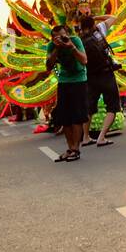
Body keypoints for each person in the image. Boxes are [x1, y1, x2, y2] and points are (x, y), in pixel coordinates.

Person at [45, 23, 89, 162]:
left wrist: (71, 47)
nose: (61, 39)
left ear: (68, 34)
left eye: (63, 36)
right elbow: (48, 66)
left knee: (77, 117)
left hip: (79, 81)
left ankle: (75, 149)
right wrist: (57, 49)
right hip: (64, 82)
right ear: (52, 39)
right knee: (65, 118)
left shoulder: (75, 41)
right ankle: (70, 148)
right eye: (56, 37)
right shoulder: (52, 46)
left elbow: (84, 60)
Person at [77, 13, 120, 149]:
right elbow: (114, 17)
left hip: (90, 77)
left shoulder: (79, 40)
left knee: (89, 108)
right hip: (106, 74)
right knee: (112, 107)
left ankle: (85, 137)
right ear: (93, 24)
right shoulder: (100, 30)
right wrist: (96, 17)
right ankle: (101, 137)